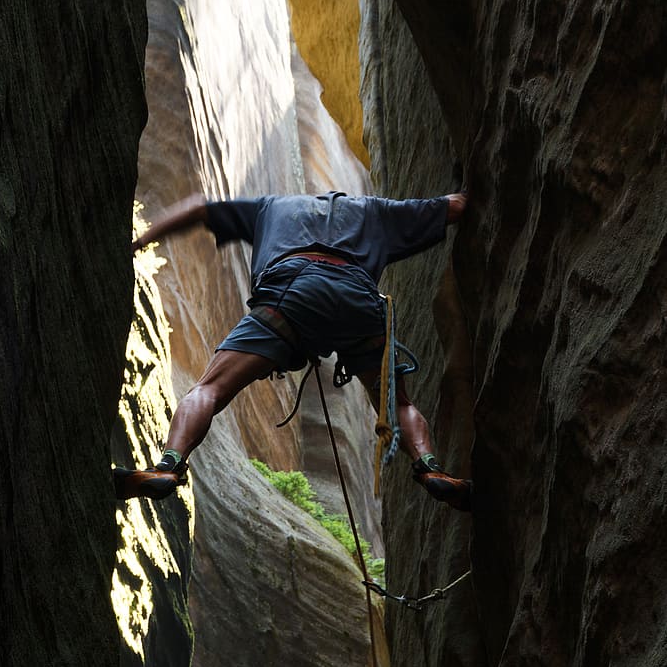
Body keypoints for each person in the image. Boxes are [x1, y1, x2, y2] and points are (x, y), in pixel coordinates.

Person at [114, 188, 471, 510]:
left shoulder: (271, 207)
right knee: (400, 404)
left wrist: (140, 240)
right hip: (359, 304)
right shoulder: (375, 211)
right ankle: (429, 467)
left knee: (210, 387)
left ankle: (168, 465)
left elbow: (197, 207)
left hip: (290, 294)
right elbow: (455, 206)